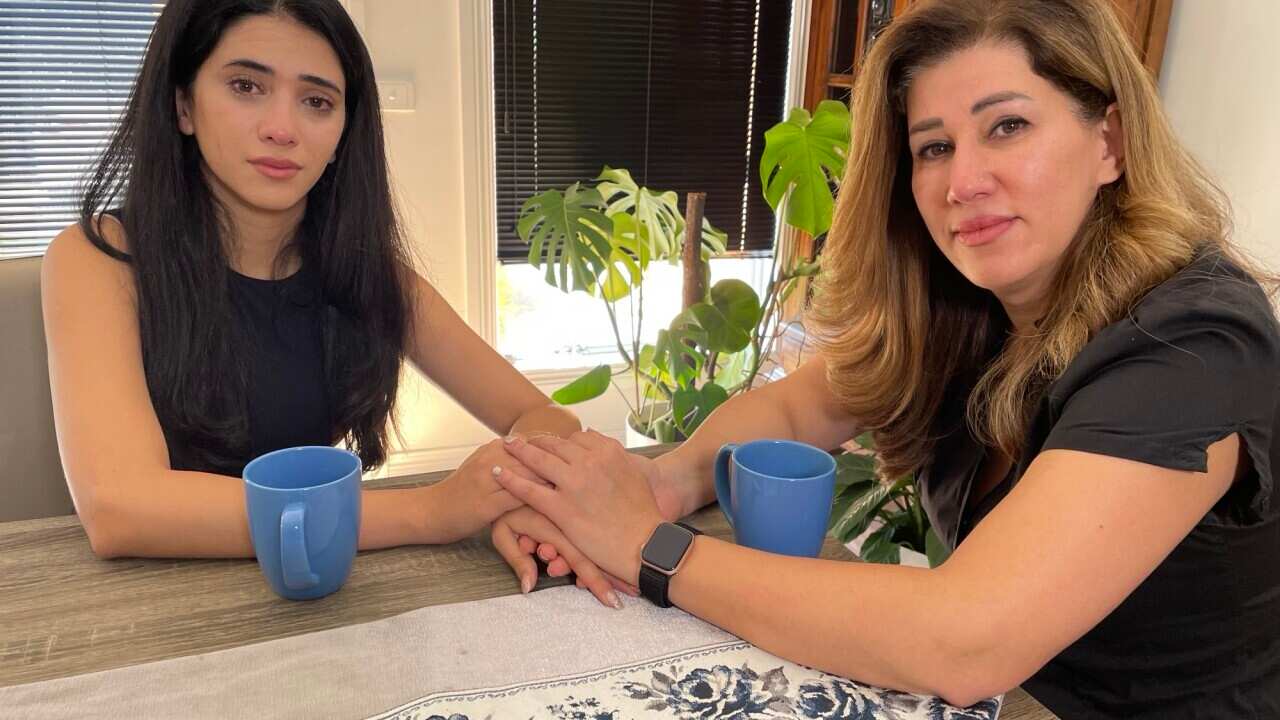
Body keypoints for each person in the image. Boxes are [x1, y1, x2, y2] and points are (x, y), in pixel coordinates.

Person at [488, 0, 1280, 716]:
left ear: (1109, 141)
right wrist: (664, 481)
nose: (963, 180)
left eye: (1008, 126)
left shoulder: (1193, 343)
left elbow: (966, 639)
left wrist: (647, 546)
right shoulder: (965, 304)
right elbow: (802, 406)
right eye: (933, 147)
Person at [41, 0, 580, 561]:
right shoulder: (99, 257)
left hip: (322, 584)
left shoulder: (368, 271)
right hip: (154, 610)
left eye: (317, 101)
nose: (281, 129)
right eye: (246, 86)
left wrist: (512, 493)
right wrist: (433, 510)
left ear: (345, 130)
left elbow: (546, 420)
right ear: (183, 104)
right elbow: (121, 507)